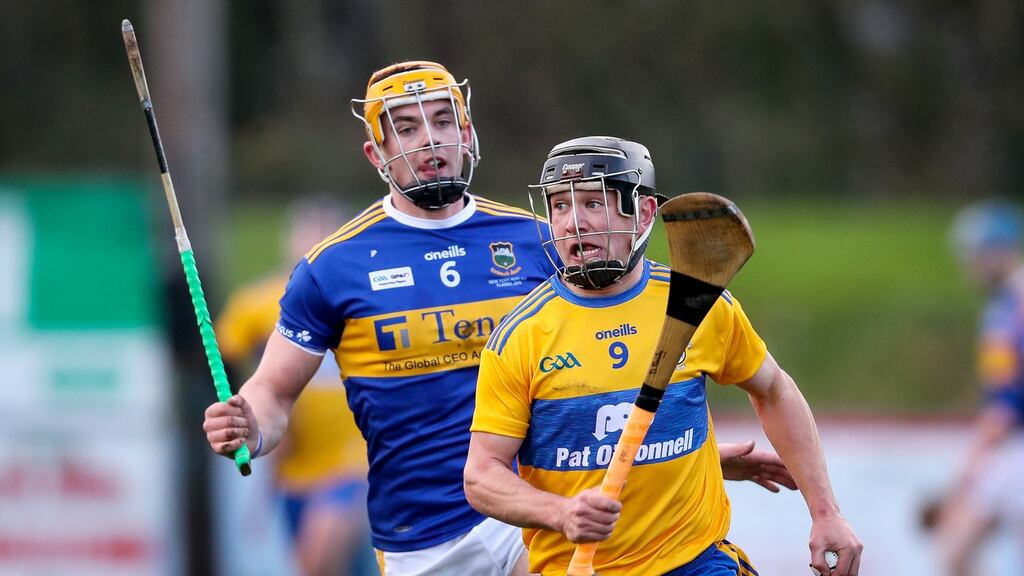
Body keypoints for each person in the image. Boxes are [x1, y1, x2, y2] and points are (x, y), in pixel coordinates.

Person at [204, 62, 798, 576]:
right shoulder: (333, 267)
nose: (428, 139)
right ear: (375, 153)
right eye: (406, 128)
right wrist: (247, 424)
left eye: (442, 121)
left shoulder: (541, 239)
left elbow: (624, 357)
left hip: (533, 520)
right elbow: (275, 392)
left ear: (467, 133)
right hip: (415, 537)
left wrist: (688, 455)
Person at [464, 136, 862, 576]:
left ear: (644, 212)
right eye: (560, 206)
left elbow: (774, 390)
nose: (573, 223)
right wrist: (561, 513)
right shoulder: (521, 336)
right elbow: (482, 476)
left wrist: (825, 512)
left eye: (594, 203)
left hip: (696, 561)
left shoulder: (700, 301)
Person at [215, 199, 373, 576]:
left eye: (326, 232)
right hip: (291, 465)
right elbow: (225, 360)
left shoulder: (363, 297)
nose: (314, 242)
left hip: (350, 463)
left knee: (319, 558)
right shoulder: (256, 304)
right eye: (307, 231)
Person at [935, 199, 1024, 576]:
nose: (968, 264)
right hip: (1011, 449)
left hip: (1016, 449)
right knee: (956, 550)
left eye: (974, 253)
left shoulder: (1010, 311)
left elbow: (1006, 404)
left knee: (955, 550)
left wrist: (961, 477)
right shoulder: (1004, 304)